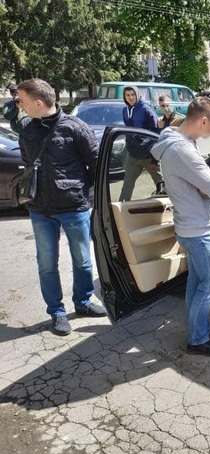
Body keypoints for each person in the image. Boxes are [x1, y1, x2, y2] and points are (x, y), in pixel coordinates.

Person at [16, 79, 107, 336]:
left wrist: (77, 189)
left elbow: (96, 165)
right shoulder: (26, 129)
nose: (18, 104)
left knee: (83, 261)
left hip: (74, 207)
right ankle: (56, 312)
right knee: (47, 263)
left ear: (38, 102)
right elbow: (27, 163)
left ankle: (84, 302)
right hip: (39, 209)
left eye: (21, 99)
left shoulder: (75, 127)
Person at [150, 97, 210, 357]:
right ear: (203, 120)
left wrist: (203, 185)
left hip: (190, 227)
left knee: (197, 282)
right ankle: (197, 339)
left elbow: (202, 184)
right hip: (201, 231)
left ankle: (201, 327)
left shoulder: (177, 142)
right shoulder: (182, 150)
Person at [119, 86, 162, 201]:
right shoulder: (125, 110)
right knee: (127, 184)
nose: (131, 97)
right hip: (132, 155)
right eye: (127, 95)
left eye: (133, 94)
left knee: (161, 182)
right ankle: (120, 211)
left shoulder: (146, 109)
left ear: (137, 94)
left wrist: (154, 158)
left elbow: (155, 133)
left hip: (148, 155)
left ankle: (168, 205)